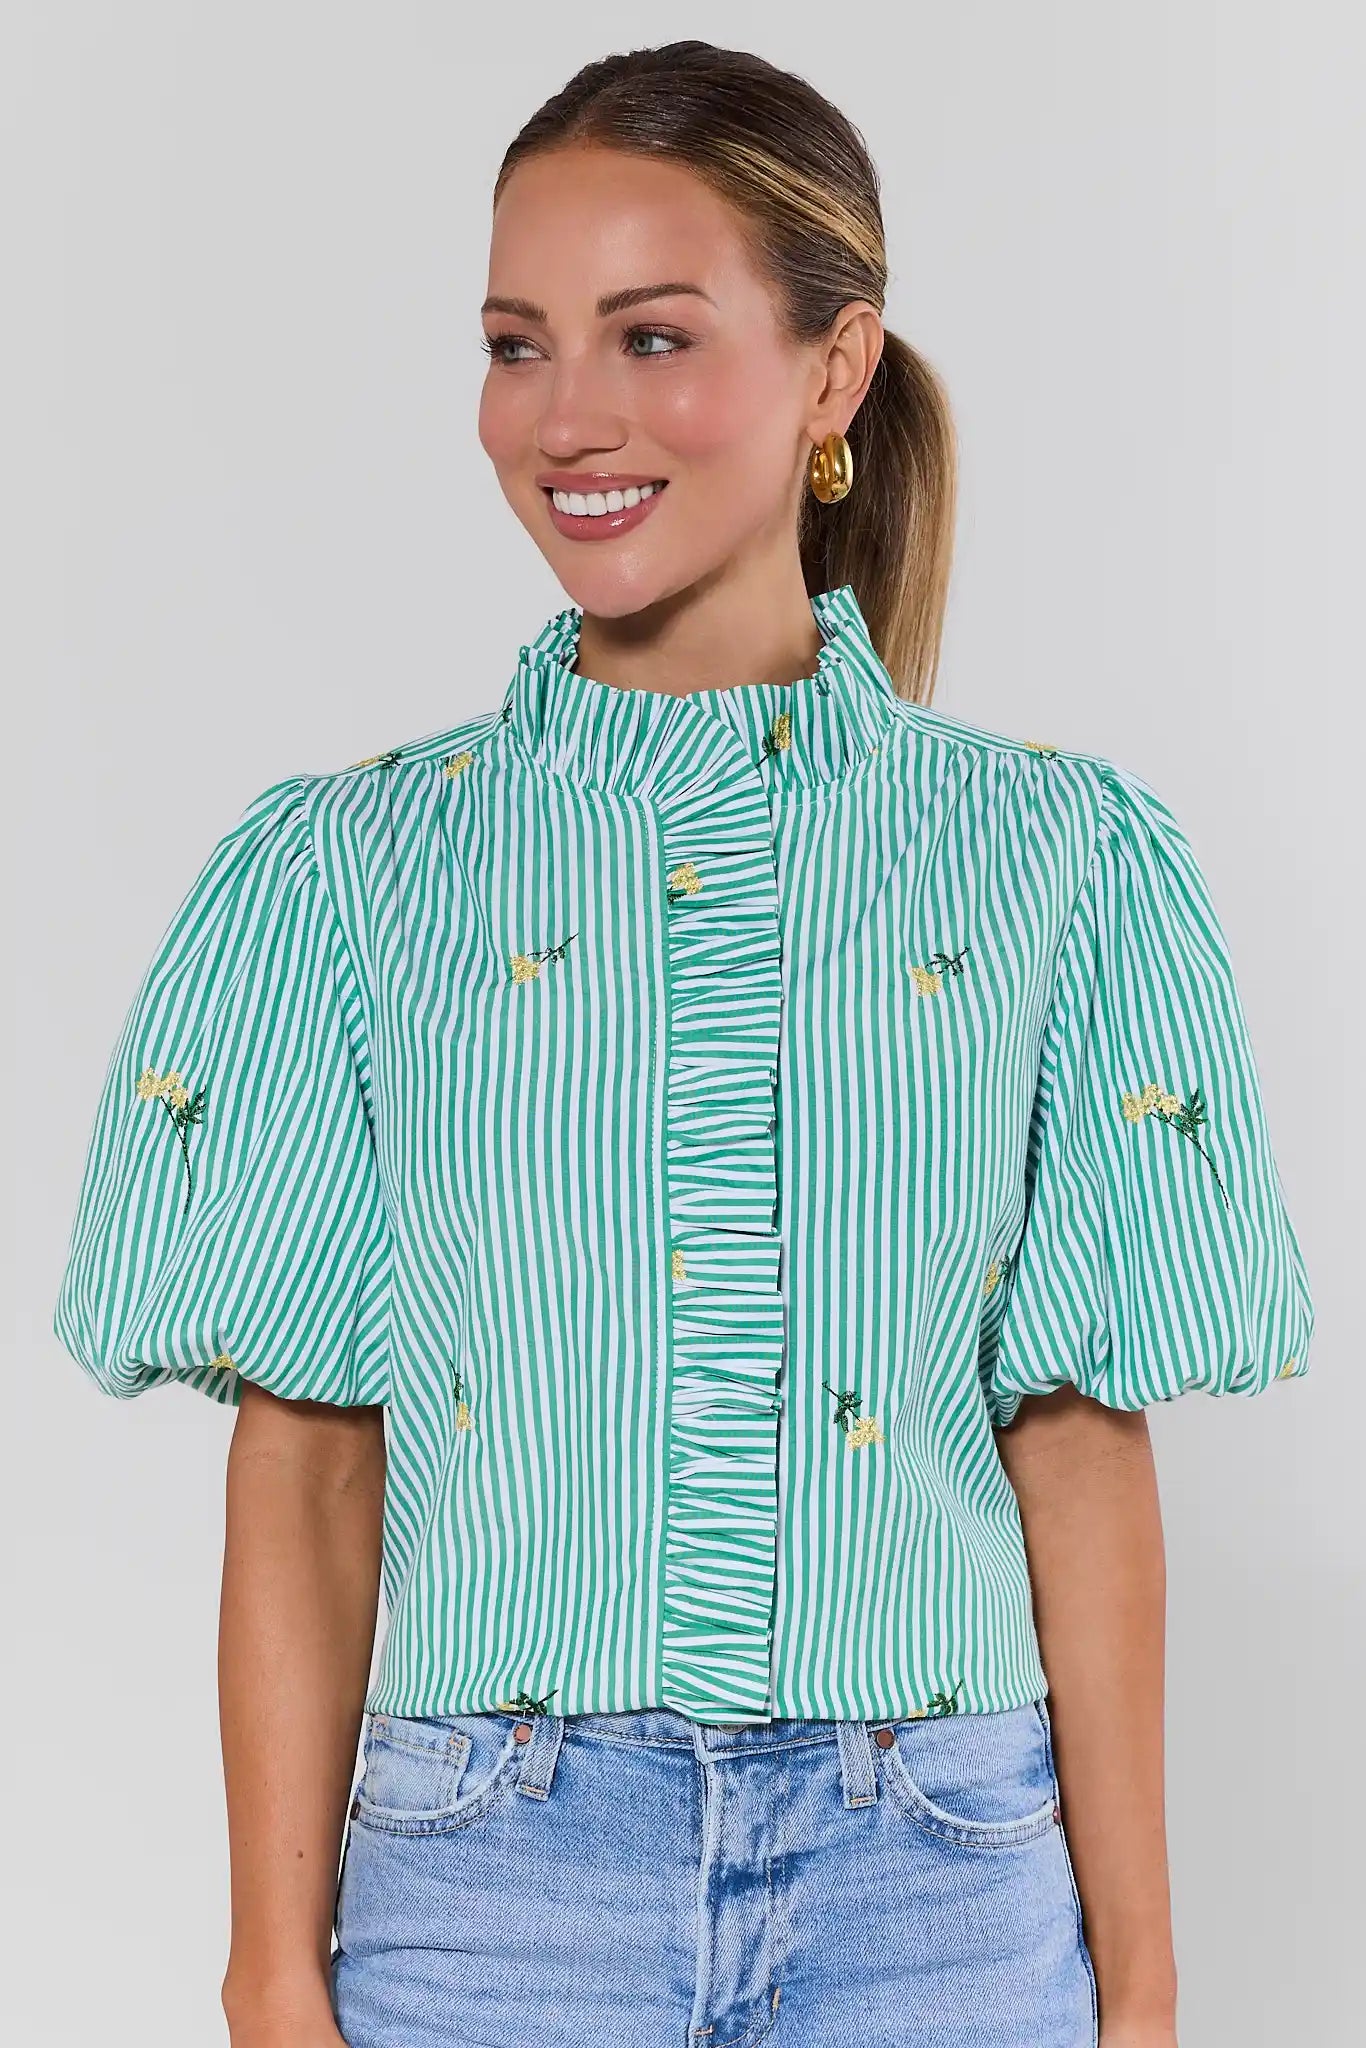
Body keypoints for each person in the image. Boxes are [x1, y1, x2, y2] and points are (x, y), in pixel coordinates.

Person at [52, 38, 1314, 2048]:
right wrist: (270, 1979)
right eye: (516, 343)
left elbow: (1074, 1441)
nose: (569, 417)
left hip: (940, 1878)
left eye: (652, 337)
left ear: (833, 374)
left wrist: (1139, 1986)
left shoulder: (1054, 862)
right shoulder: (342, 880)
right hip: (485, 1889)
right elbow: (302, 1462)